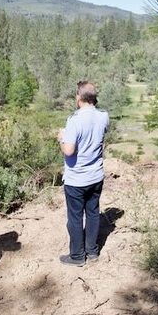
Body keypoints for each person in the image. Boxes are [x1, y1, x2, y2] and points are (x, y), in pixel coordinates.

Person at [56, 80, 110, 267]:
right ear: (94, 98)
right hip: (96, 175)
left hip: (76, 178)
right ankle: (92, 251)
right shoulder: (104, 116)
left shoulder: (74, 120)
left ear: (78, 98)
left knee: (75, 217)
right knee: (93, 213)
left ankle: (78, 256)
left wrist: (61, 139)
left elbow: (69, 150)